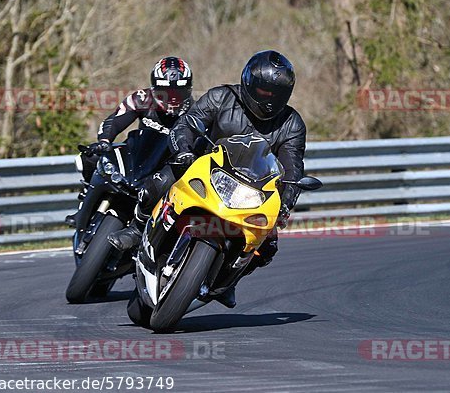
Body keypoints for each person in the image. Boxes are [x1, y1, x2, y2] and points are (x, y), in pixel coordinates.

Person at [108, 50, 306, 308]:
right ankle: (136, 228)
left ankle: (227, 282)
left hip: (251, 189)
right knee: (157, 183)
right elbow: (187, 124)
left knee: (267, 247)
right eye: (263, 91)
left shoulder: (292, 124)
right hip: (201, 167)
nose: (267, 99)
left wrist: (286, 202)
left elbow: (293, 167)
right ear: (248, 82)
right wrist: (184, 152)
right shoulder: (221, 97)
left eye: (275, 94)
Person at [65, 56, 193, 229]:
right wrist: (104, 141)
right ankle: (84, 206)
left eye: (178, 93)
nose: (171, 98)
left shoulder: (195, 113)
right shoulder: (142, 98)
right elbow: (115, 120)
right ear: (155, 88)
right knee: (92, 157)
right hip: (136, 154)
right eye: (165, 92)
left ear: (188, 90)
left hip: (163, 167)